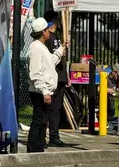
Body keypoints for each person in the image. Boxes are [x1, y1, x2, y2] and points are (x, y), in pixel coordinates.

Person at [26, 17, 64, 153]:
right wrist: (45, 92)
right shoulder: (36, 48)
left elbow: (50, 62)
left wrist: (60, 51)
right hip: (39, 91)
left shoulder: (40, 47)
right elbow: (35, 74)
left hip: (42, 90)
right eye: (48, 29)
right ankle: (32, 149)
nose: (49, 31)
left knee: (42, 121)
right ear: (43, 32)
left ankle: (39, 147)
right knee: (38, 120)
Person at [43, 10, 71, 147]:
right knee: (54, 109)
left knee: (54, 108)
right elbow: (56, 57)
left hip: (59, 76)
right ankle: (53, 136)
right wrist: (62, 49)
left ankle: (52, 135)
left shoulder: (53, 37)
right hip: (55, 77)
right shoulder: (52, 37)